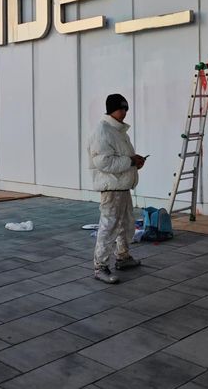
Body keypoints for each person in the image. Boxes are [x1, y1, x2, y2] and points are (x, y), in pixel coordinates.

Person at [88, 93, 146, 284]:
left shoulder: (118, 131)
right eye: (121, 108)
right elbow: (103, 162)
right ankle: (100, 267)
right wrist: (130, 161)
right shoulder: (103, 131)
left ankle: (122, 257)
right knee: (109, 226)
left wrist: (134, 161)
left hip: (122, 187)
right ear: (111, 109)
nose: (124, 112)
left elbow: (119, 158)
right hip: (111, 188)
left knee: (125, 223)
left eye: (125, 108)